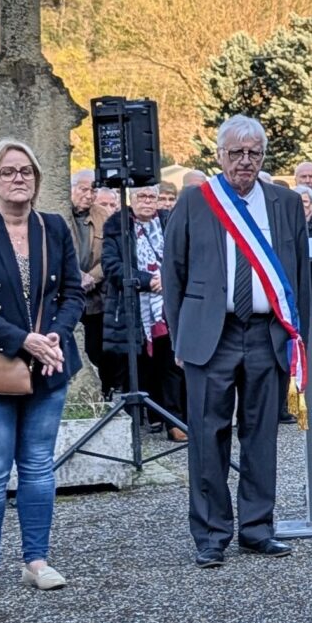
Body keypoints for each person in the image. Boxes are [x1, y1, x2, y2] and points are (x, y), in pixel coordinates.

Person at [163, 116, 312, 567]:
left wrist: (298, 338)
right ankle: (211, 535)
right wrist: (179, 336)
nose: (245, 161)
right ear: (219, 155)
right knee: (207, 435)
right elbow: (174, 272)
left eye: (253, 153)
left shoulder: (286, 202)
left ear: (263, 156)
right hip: (212, 335)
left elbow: (300, 275)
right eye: (236, 152)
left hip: (268, 334)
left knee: (261, 434)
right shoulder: (195, 200)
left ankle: (257, 528)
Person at [0, 139, 82, 600]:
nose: (17, 178)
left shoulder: (54, 227)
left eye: (25, 171)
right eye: (7, 172)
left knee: (39, 467)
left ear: (37, 179)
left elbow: (72, 292)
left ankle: (36, 561)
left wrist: (54, 337)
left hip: (49, 365)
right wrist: (22, 340)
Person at [104, 182, 188, 438]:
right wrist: (146, 280)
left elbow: (184, 256)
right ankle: (151, 417)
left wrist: (167, 278)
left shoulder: (168, 221)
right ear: (131, 199)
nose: (148, 201)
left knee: (171, 364)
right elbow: (111, 265)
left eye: (152, 197)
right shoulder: (117, 225)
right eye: (142, 196)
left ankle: (174, 421)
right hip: (134, 309)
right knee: (143, 366)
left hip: (168, 306)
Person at [70, 168, 122, 395]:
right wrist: (76, 275)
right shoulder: (59, 213)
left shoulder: (103, 216)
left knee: (97, 348)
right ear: (71, 189)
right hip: (66, 292)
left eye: (93, 191)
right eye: (83, 189)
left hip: (96, 297)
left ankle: (104, 392)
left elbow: (112, 252)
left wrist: (92, 276)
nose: (88, 195)